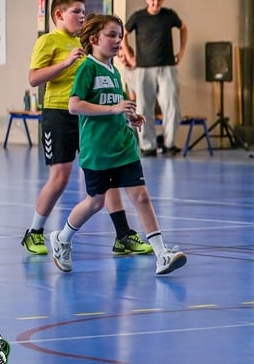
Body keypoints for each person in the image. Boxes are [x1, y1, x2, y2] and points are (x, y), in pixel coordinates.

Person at [49, 14, 187, 275]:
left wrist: (129, 116)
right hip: (98, 151)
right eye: (111, 35)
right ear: (93, 39)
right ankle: (62, 238)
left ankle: (161, 255)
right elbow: (74, 105)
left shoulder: (114, 71)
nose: (117, 41)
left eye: (120, 36)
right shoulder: (88, 68)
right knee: (95, 202)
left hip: (124, 147)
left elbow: (117, 105)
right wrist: (113, 109)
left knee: (141, 196)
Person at [22, 0, 152, 257]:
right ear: (59, 15)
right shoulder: (48, 41)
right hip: (60, 114)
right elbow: (34, 78)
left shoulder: (86, 43)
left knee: (108, 172)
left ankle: (123, 234)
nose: (82, 16)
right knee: (60, 177)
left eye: (84, 12)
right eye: (76, 11)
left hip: (91, 116)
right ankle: (34, 232)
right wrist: (66, 62)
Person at [124, 0, 188, 157]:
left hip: (167, 67)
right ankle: (148, 146)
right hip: (144, 68)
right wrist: (129, 55)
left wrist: (181, 52)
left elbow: (183, 28)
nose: (156, 3)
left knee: (171, 106)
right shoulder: (138, 17)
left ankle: (169, 144)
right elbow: (123, 33)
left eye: (159, 0)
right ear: (147, 0)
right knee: (144, 107)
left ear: (163, 0)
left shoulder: (169, 15)